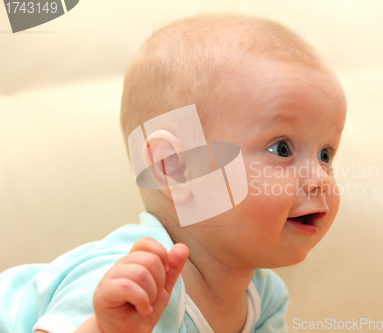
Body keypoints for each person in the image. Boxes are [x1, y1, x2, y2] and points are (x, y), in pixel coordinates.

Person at [0, 12, 346, 333]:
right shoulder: (128, 277)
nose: (319, 178)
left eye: (325, 154)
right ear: (176, 168)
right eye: (281, 149)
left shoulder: (265, 297)